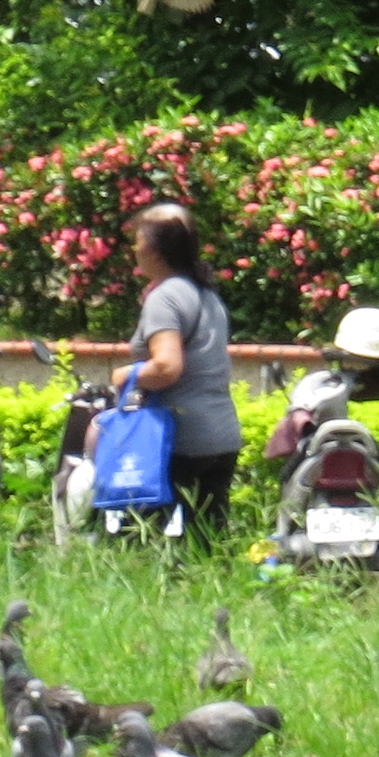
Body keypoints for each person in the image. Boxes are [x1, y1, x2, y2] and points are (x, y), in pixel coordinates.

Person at [118, 202, 242, 545]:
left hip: (179, 439)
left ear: (155, 250)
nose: (134, 249)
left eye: (138, 240)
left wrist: (125, 375)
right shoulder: (206, 294)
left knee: (141, 543)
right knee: (206, 545)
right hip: (221, 435)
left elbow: (166, 367)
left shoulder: (165, 297)